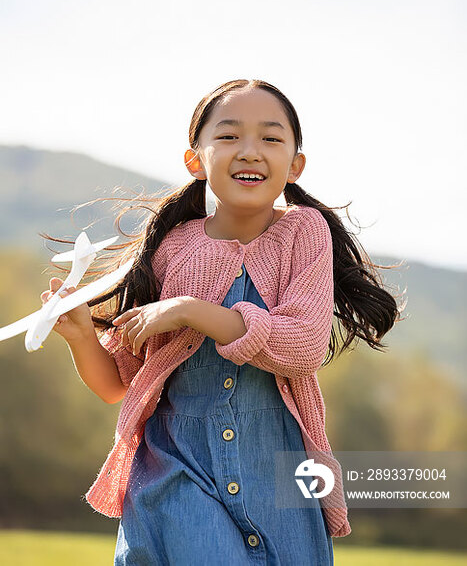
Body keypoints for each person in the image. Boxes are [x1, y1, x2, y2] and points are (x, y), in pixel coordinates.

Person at [41, 79, 402, 565]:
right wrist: (82, 336)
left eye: (271, 139)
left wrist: (189, 310)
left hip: (279, 473)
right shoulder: (172, 248)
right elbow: (115, 385)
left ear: (295, 164)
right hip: (175, 467)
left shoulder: (304, 233)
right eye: (229, 136)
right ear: (196, 160)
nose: (250, 151)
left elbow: (303, 345)